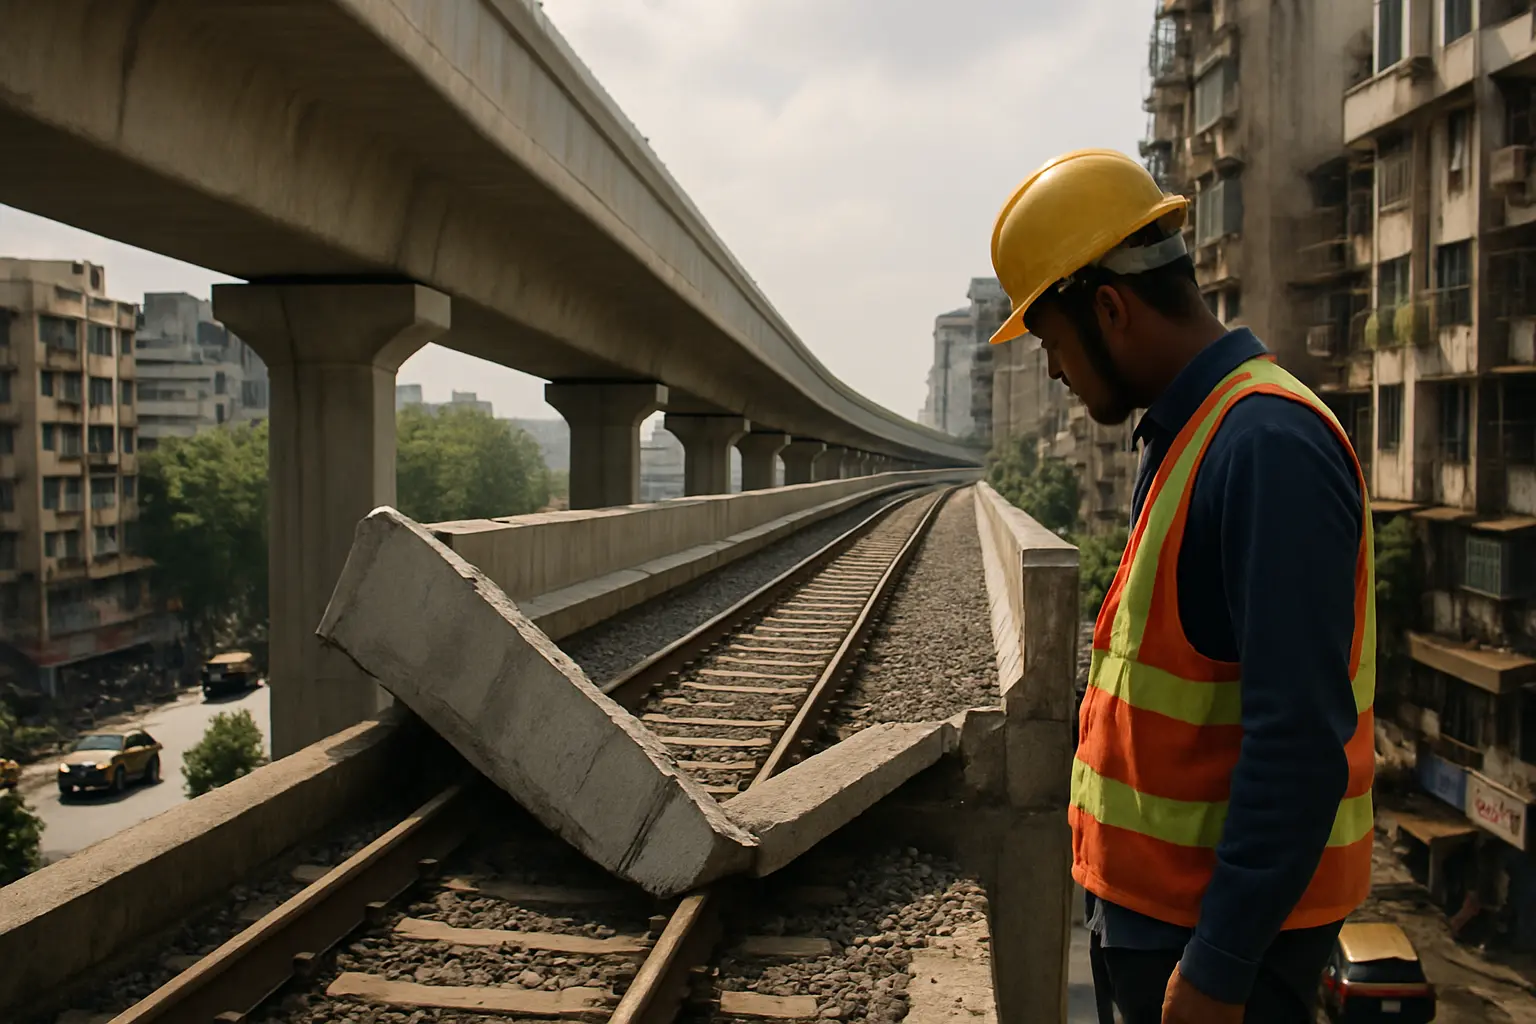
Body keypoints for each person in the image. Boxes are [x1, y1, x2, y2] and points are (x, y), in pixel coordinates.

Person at [987, 149, 1376, 1024]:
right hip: (1164, 925)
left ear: (1110, 309)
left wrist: (1220, 966)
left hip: (1220, 953)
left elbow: (1297, 739)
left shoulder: (1266, 445)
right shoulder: (1190, 434)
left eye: (1052, 343)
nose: (1054, 371)